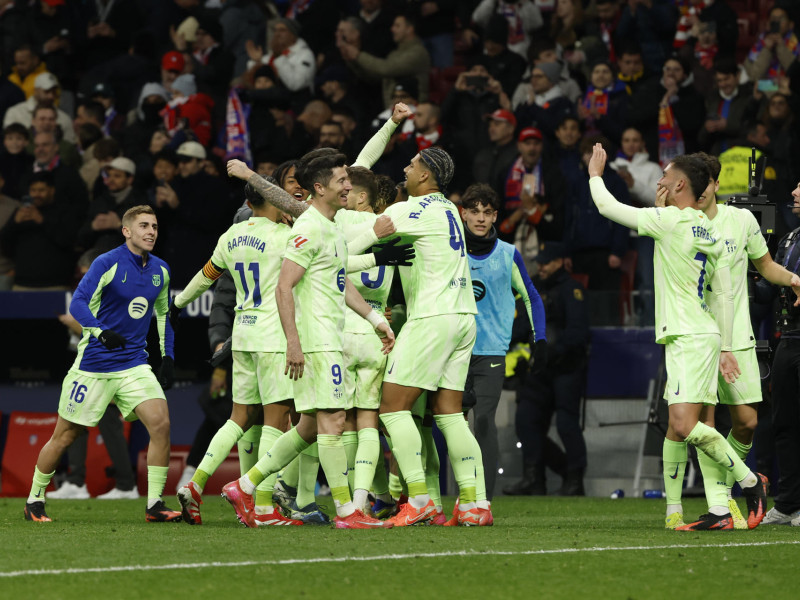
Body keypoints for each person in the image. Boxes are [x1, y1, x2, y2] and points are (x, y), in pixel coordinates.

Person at [587, 143, 770, 530]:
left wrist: (595, 175)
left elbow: (607, 208)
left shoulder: (669, 222)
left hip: (689, 334)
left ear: (682, 183)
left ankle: (749, 482)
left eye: (666, 177)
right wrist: (665, 209)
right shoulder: (703, 227)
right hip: (700, 332)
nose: (660, 180)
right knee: (679, 423)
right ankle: (689, 512)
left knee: (686, 425)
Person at [220, 153, 397, 529]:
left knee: (310, 426)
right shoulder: (310, 229)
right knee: (332, 421)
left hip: (328, 337)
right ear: (320, 188)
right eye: (341, 181)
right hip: (317, 342)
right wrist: (294, 343)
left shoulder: (330, 228)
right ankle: (348, 512)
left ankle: (245, 485)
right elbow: (284, 286)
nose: (348, 186)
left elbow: (340, 282)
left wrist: (376, 319)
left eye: (348, 180)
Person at [23, 205, 180, 523]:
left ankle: (154, 505)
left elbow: (163, 315)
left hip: (134, 364)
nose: (150, 231)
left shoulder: (160, 270)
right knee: (65, 436)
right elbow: (78, 302)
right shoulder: (106, 262)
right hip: (93, 365)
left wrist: (168, 357)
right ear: (127, 231)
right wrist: (98, 331)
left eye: (154, 226)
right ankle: (34, 500)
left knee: (160, 423)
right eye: (144, 226)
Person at [669, 153, 800, 530]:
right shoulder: (677, 221)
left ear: (715, 185)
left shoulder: (740, 220)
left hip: (737, 335)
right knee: (703, 421)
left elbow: (766, 266)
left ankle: (736, 485)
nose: (706, 188)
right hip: (697, 334)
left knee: (746, 422)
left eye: (711, 181)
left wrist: (793, 279)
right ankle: (720, 505)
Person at [171, 175, 305, 527]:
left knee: (239, 417)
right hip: (273, 336)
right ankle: (262, 507)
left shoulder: (231, 236)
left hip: (241, 335)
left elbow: (208, 274)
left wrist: (180, 302)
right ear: (272, 200)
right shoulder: (285, 237)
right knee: (276, 420)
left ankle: (195, 483)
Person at [377, 147, 487, 527]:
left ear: (426, 176)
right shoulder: (449, 210)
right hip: (463, 317)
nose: (405, 169)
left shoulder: (413, 209)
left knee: (392, 406)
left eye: (412, 164)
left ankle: (419, 498)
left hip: (433, 316)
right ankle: (475, 504)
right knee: (450, 414)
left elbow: (357, 232)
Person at [460, 183, 546, 501]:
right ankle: (431, 496)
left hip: (490, 351)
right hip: (452, 349)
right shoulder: (450, 251)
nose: (481, 218)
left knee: (483, 420)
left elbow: (531, 297)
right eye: (475, 212)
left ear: (495, 215)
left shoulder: (508, 253)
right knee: (444, 424)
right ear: (463, 214)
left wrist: (542, 338)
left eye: (487, 212)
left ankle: (482, 498)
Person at [504, 240, 588, 495]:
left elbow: (577, 333)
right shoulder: (532, 288)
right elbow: (519, 327)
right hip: (539, 369)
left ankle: (573, 479)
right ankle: (534, 478)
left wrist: (550, 352)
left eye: (546, 262)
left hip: (566, 369)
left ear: (561, 262)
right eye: (539, 262)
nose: (541, 267)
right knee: (526, 421)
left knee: (566, 425)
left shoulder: (572, 290)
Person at [754, 181, 800, 526]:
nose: (794, 194)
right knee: (783, 423)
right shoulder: (789, 239)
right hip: (789, 338)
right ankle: (787, 504)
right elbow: (768, 290)